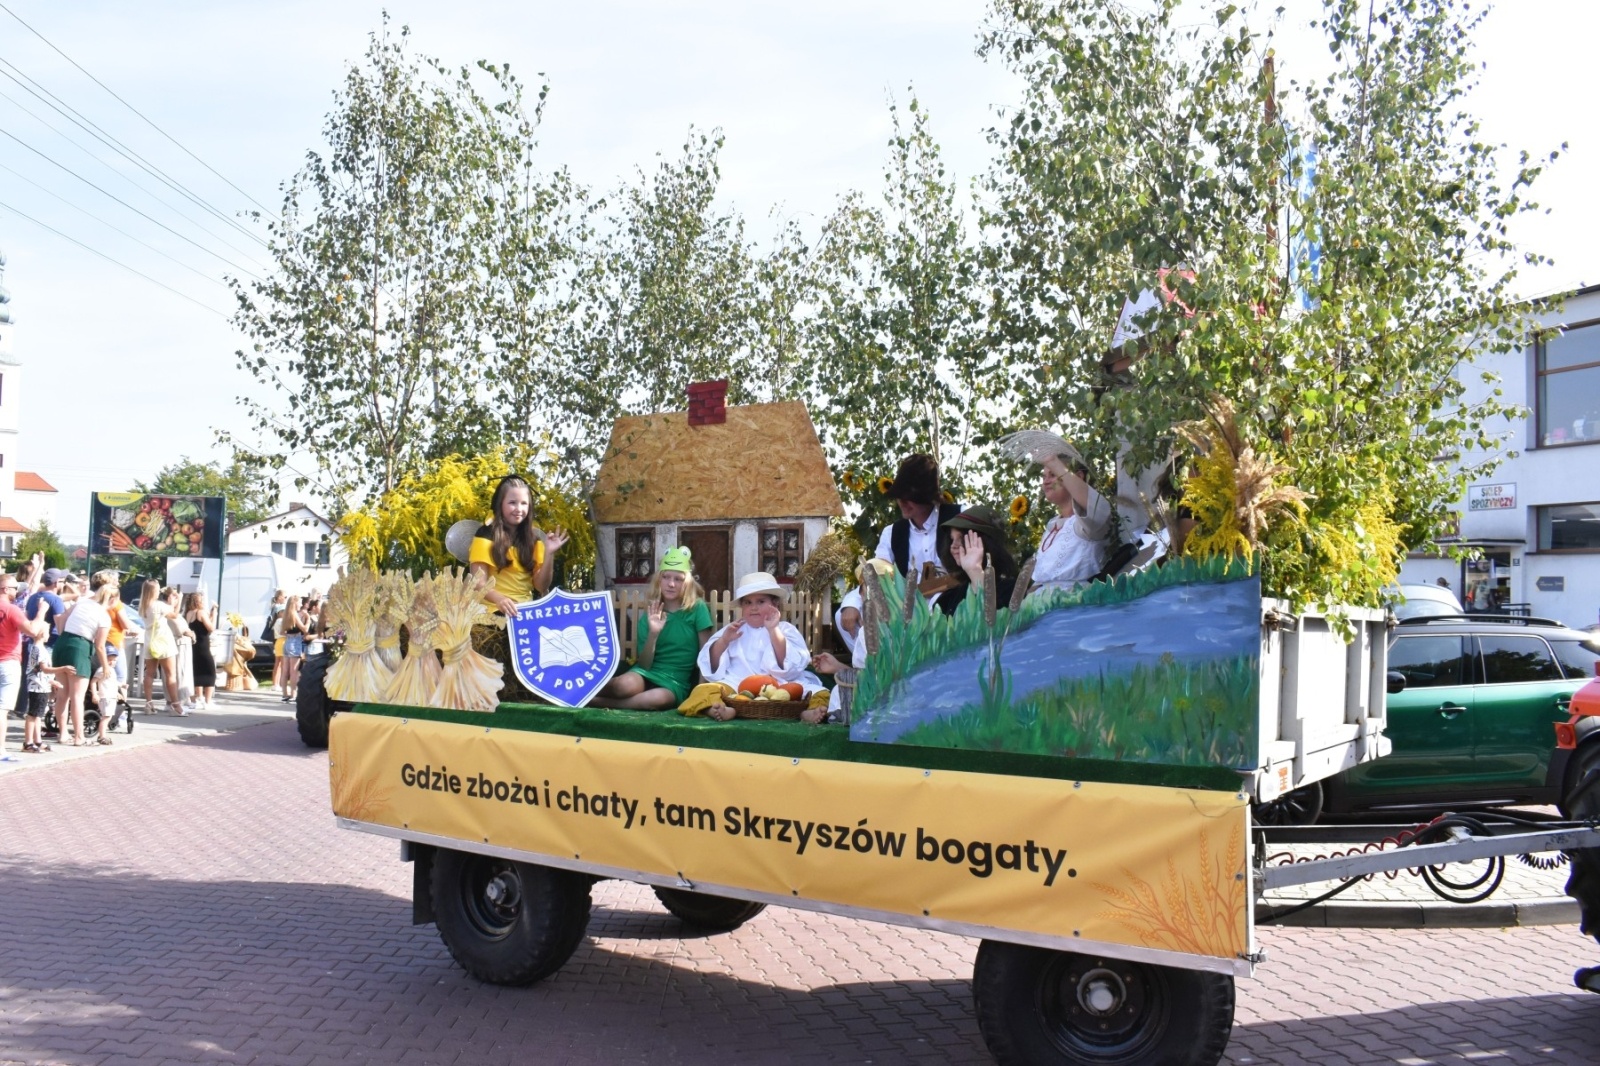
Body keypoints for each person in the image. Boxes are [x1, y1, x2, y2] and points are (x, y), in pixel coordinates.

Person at [467, 475, 569, 702]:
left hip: (526, 610)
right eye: (512, 503)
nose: (518, 509)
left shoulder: (534, 539)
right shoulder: (485, 535)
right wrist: (501, 599)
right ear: (500, 504)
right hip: (493, 611)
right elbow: (478, 583)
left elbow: (541, 585)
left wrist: (550, 553)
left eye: (524, 503)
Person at [592, 547, 713, 710]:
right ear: (659, 580)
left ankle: (593, 702)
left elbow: (705, 653)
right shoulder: (651, 613)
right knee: (623, 685)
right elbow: (644, 665)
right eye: (666, 577)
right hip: (647, 673)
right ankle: (580, 691)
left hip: (674, 681)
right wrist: (653, 634)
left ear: (688, 583)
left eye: (678, 579)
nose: (671, 584)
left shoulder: (697, 608)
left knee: (657, 699)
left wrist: (700, 693)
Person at [697, 572, 823, 721]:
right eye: (748, 603)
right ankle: (719, 709)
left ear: (774, 604)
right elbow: (711, 664)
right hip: (738, 684)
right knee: (703, 691)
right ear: (742, 607)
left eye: (760, 601)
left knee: (820, 694)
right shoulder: (733, 629)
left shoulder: (785, 629)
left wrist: (773, 630)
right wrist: (724, 641)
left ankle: (804, 713)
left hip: (781, 685)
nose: (754, 608)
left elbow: (788, 666)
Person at [874, 454, 961, 594]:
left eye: (909, 497)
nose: (902, 502)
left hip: (959, 611)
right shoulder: (892, 533)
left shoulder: (960, 519)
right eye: (899, 496)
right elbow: (876, 573)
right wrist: (851, 605)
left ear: (927, 498)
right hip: (910, 614)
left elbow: (979, 569)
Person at [1029, 455, 1112, 594]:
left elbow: (1099, 509)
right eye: (1043, 477)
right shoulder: (1052, 526)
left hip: (1075, 607)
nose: (1046, 482)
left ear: (1078, 476)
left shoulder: (1086, 524)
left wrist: (1053, 461)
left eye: (1053, 474)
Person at [55, 579, 115, 746]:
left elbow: (62, 618)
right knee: (77, 696)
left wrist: (64, 634)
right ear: (112, 600)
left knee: (62, 695)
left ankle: (62, 733)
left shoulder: (82, 602)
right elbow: (100, 646)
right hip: (80, 646)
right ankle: (79, 737)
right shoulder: (104, 616)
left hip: (63, 643)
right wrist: (105, 667)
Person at [935, 506, 1021, 615]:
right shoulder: (947, 600)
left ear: (987, 543)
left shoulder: (1014, 590)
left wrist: (975, 571)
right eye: (952, 539)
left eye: (961, 539)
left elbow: (994, 625)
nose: (953, 546)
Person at [0, 571, 51, 751]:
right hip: (7, 662)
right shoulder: (11, 609)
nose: (17, 591)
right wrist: (41, 612)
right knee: (2, 709)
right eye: (15, 588)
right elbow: (32, 630)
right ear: (5, 589)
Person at [138, 580, 183, 714]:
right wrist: (178, 601)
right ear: (153, 591)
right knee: (170, 674)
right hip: (163, 640)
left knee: (149, 674)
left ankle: (148, 703)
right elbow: (174, 615)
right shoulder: (158, 605)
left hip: (149, 640)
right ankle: (176, 705)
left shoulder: (142, 605)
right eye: (157, 590)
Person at [184, 590, 218, 711]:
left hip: (193, 646)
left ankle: (198, 698)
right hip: (203, 645)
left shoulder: (188, 613)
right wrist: (214, 615)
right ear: (198, 601)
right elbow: (211, 628)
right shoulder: (201, 612)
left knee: (196, 671)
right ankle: (208, 701)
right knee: (210, 672)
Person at [277, 594, 309, 702]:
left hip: (287, 642)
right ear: (295, 603)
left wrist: (290, 636)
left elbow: (282, 632)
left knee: (285, 670)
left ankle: (284, 694)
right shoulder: (295, 614)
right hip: (295, 642)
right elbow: (305, 629)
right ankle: (293, 694)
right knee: (294, 671)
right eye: (299, 602)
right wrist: (308, 618)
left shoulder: (286, 614)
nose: (301, 604)